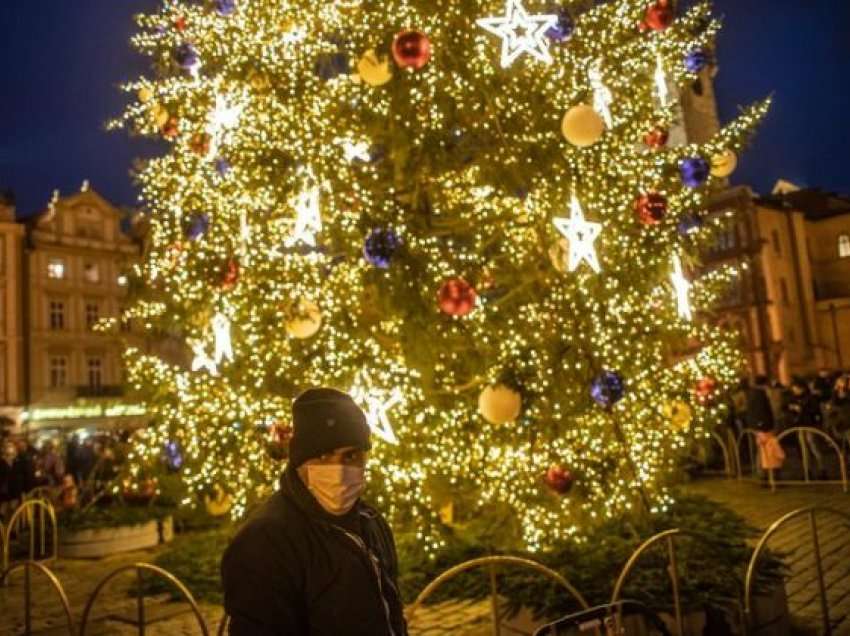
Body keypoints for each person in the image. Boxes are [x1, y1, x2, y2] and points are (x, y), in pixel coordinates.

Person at [222, 388, 407, 636]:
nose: (339, 469)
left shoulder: (371, 522)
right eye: (323, 455)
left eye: (351, 455)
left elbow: (392, 612)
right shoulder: (265, 540)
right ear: (300, 461)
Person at [786, 378, 826, 477]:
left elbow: (815, 411)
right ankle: (807, 471)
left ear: (802, 388)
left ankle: (822, 469)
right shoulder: (793, 398)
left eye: (796, 388)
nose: (795, 390)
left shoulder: (810, 397)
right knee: (804, 449)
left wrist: (802, 409)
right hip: (799, 425)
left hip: (809, 425)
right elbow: (786, 407)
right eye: (793, 388)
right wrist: (792, 408)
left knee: (814, 447)